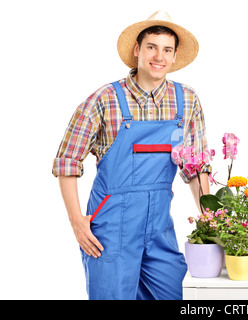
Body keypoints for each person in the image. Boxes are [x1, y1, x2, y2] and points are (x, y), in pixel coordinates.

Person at [52, 11, 211, 300]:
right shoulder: (105, 99)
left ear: (174, 56)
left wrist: (210, 219)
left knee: (176, 294)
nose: (158, 56)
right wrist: (77, 221)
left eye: (167, 49)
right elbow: (67, 161)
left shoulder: (187, 100)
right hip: (111, 229)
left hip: (161, 227)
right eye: (151, 47)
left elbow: (196, 165)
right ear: (137, 50)